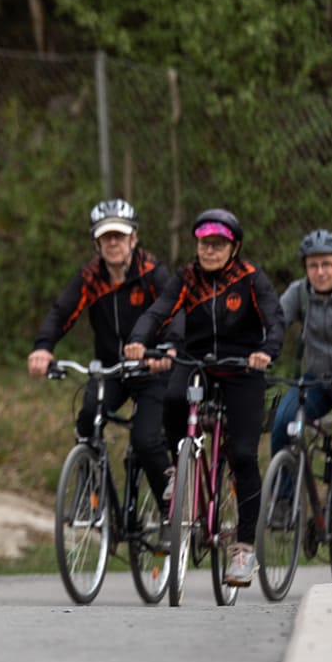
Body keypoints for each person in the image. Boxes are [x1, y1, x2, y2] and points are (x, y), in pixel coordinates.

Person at [124, 208, 282, 588]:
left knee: (242, 454)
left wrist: (266, 351)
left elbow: (275, 320)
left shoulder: (249, 278)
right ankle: (179, 469)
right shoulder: (186, 278)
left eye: (218, 245)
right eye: (204, 244)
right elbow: (158, 312)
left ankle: (244, 549)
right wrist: (138, 340)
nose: (209, 251)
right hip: (198, 363)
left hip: (242, 368)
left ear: (234, 247)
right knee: (173, 398)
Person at [27, 199, 174, 507]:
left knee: (146, 440)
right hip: (112, 371)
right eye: (106, 237)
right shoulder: (90, 277)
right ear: (96, 243)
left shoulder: (152, 272)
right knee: (87, 420)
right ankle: (92, 495)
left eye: (119, 235)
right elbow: (61, 312)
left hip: (152, 370)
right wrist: (43, 348)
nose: (113, 243)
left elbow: (175, 311)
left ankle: (170, 511)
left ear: (133, 238)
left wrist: (169, 348)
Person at [268, 228, 332, 524]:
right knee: (283, 422)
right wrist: (262, 354)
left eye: (327, 264)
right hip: (317, 381)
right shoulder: (299, 292)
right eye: (313, 265)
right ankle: (284, 501)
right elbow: (274, 326)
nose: (320, 272)